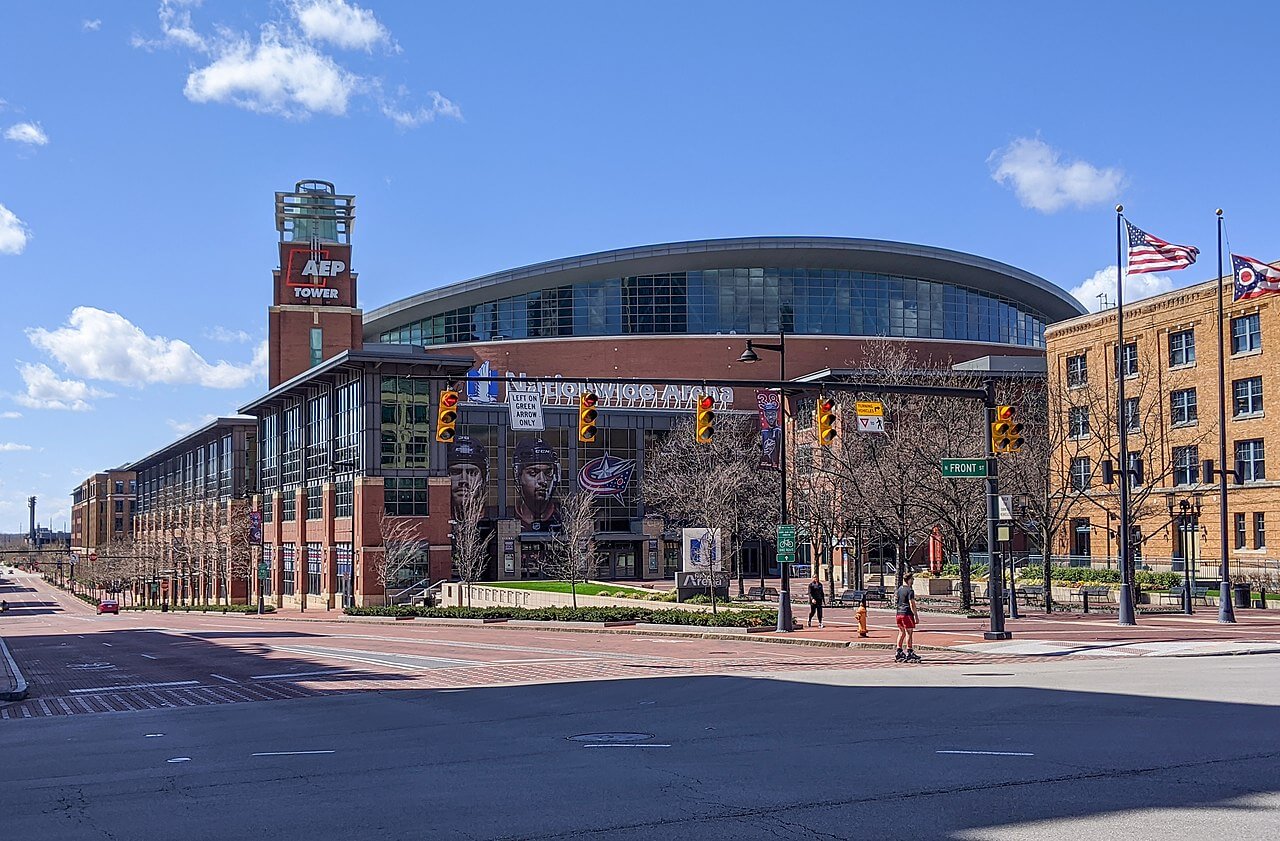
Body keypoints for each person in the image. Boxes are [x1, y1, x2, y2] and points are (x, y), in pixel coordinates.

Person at [512, 437, 561, 531]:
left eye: (548, 473)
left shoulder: (564, 517)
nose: (542, 481)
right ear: (518, 476)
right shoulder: (507, 515)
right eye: (533, 473)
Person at [448, 435, 489, 517]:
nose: (463, 480)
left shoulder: (492, 514)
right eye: (455, 472)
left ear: (483, 478)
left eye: (472, 473)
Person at [894, 572, 921, 662]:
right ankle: (909, 652)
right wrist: (916, 616)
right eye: (912, 579)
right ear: (909, 580)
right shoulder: (910, 590)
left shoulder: (899, 589)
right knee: (909, 632)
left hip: (899, 613)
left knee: (901, 632)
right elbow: (912, 603)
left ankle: (899, 651)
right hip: (907, 613)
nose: (913, 580)